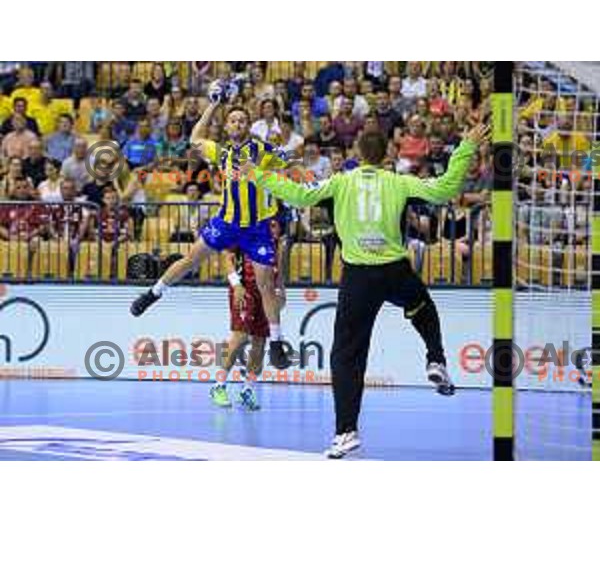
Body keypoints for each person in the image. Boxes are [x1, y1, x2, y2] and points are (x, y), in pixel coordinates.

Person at [244, 124, 488, 458]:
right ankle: (436, 359)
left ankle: (346, 431)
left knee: (346, 354)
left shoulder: (340, 182)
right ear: (388, 154)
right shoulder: (399, 181)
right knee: (423, 307)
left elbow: (299, 195)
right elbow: (445, 189)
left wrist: (258, 175)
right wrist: (465, 147)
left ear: (357, 154)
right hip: (394, 271)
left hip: (358, 277)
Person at [129, 80, 293, 370]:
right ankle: (153, 293)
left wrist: (284, 157)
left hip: (257, 228)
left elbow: (290, 157)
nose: (238, 123)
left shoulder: (263, 151)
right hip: (227, 222)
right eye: (232, 120)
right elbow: (194, 138)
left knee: (266, 284)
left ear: (248, 126)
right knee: (192, 258)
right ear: (227, 127)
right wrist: (214, 104)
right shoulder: (222, 153)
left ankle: (278, 343)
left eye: (242, 120)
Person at [210, 217, 286, 411]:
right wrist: (236, 285)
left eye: (276, 225)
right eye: (271, 224)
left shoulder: (281, 244)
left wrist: (280, 292)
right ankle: (219, 385)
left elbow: (279, 273)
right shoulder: (247, 232)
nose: (274, 228)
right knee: (240, 336)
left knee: (260, 341)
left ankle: (248, 389)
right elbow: (226, 256)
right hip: (244, 289)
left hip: (266, 295)